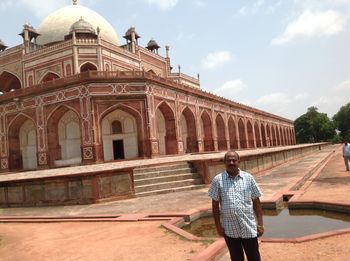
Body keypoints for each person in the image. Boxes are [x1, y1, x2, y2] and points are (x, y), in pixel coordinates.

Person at [208, 150, 264, 261]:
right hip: (230, 228)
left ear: (239, 161)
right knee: (236, 258)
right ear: (224, 162)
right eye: (228, 160)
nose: (231, 163)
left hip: (248, 226)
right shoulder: (218, 180)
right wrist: (218, 226)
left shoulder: (248, 178)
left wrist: (260, 224)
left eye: (234, 160)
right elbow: (215, 205)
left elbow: (256, 202)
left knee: (254, 257)